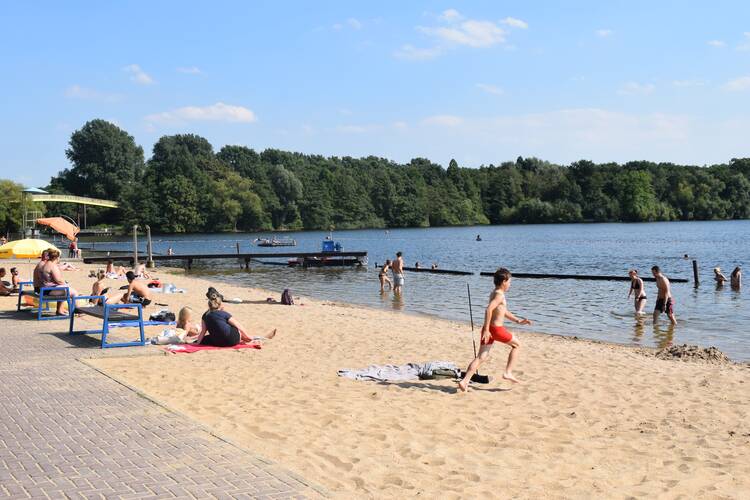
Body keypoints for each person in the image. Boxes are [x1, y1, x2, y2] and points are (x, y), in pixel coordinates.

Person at [458, 268, 532, 391]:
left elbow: (502, 311)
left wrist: (518, 320)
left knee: (481, 357)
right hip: (496, 330)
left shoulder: (494, 293)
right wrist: (487, 330)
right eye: (509, 282)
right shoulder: (499, 295)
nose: (510, 285)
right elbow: (488, 310)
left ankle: (465, 381)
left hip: (489, 330)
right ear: (504, 281)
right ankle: (508, 372)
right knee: (517, 345)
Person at [193, 288, 276, 346]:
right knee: (236, 330)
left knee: (206, 338)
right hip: (232, 340)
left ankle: (258, 338)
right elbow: (238, 326)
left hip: (218, 342)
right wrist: (247, 336)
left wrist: (197, 343)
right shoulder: (224, 314)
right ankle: (262, 338)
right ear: (220, 305)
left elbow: (203, 331)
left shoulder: (205, 315)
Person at [40, 249, 79, 315]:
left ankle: (59, 310)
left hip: (45, 289)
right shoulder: (52, 266)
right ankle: (77, 310)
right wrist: (66, 284)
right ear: (56, 257)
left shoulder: (46, 264)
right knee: (74, 292)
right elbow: (58, 280)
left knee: (65, 290)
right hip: (49, 290)